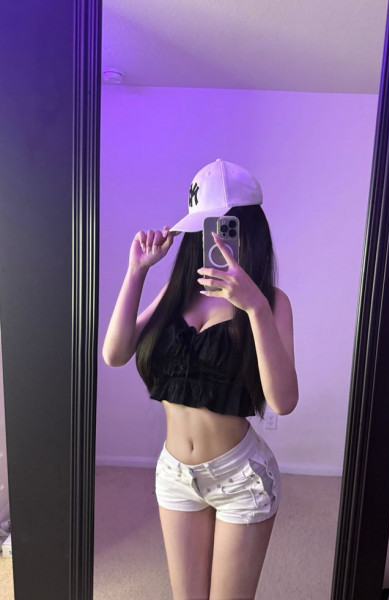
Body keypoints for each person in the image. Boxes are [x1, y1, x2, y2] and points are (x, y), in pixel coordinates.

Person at [102, 158, 298, 600]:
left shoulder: (271, 302)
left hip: (241, 478)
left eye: (223, 229)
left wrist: (255, 307)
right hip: (174, 474)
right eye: (203, 230)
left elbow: (283, 401)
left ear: (248, 232)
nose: (213, 240)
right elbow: (114, 353)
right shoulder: (177, 293)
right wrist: (137, 270)